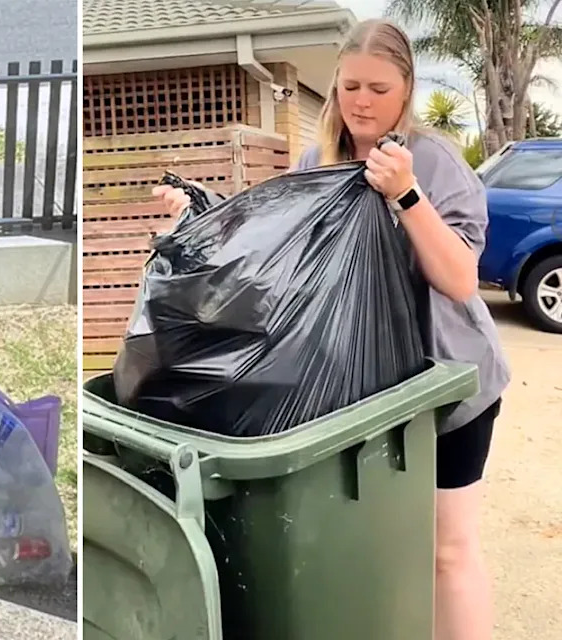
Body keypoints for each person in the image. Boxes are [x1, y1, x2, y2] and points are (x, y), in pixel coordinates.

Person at [153, 18, 510, 640]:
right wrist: (200, 214)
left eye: (378, 87)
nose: (361, 102)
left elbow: (459, 278)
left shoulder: (432, 161)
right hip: (364, 397)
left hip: (449, 388)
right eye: (350, 87)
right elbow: (274, 244)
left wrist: (407, 196)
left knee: (447, 551)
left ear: (406, 90)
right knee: (386, 546)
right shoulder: (318, 161)